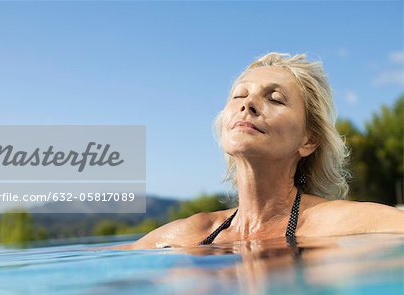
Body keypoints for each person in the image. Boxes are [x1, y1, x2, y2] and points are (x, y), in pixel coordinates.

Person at [110, 52, 404, 250]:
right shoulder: (191, 235)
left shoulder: (337, 224)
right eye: (239, 95)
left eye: (275, 99)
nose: (247, 104)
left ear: (309, 139)